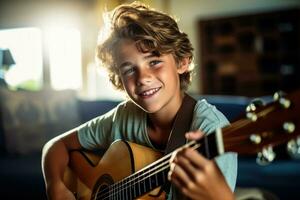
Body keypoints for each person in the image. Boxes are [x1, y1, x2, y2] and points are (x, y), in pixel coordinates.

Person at [41, 2, 237, 200]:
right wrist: (55, 186)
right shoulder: (123, 117)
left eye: (154, 62)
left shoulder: (210, 128)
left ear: (182, 62)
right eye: (129, 69)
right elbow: (56, 146)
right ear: (118, 78)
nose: (142, 77)